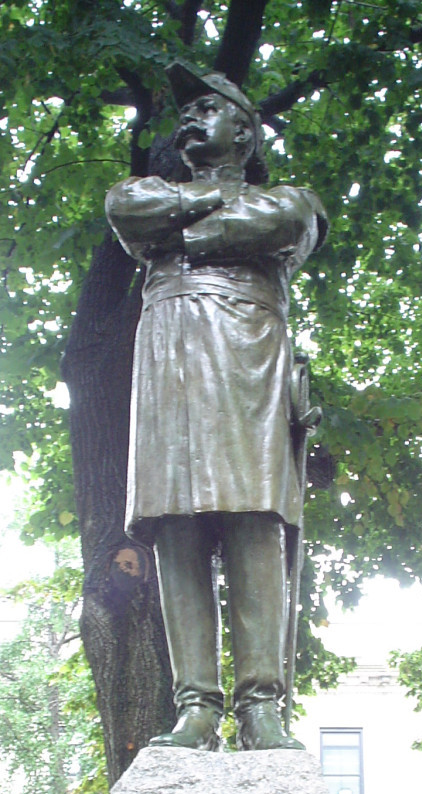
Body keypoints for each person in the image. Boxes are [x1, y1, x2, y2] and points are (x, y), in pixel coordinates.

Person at [105, 63, 327, 752]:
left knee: (254, 518)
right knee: (176, 526)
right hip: (168, 354)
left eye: (208, 106)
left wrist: (184, 230)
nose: (189, 118)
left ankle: (262, 704)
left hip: (248, 352)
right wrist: (210, 213)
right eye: (185, 110)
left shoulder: (289, 196)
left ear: (246, 131)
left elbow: (284, 220)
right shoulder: (148, 191)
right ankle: (195, 705)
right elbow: (126, 210)